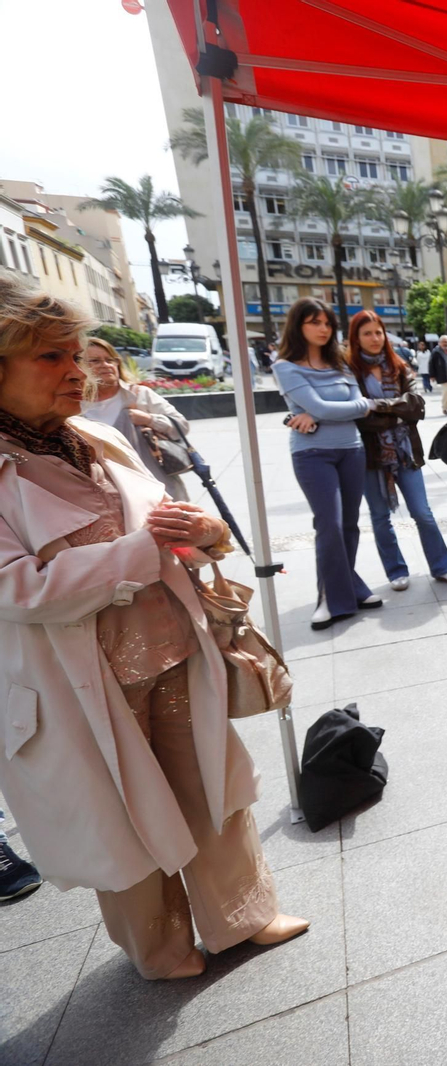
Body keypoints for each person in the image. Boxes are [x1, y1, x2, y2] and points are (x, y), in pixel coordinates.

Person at [0, 274, 306, 978]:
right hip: (77, 687)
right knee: (122, 818)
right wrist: (142, 551)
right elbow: (18, 587)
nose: (77, 370)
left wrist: (205, 534)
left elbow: (161, 523)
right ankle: (159, 949)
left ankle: (244, 915)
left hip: (174, 653)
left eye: (76, 352)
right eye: (51, 356)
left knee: (214, 789)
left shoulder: (95, 437)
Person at [271, 297, 384, 630]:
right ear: (298, 326)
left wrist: (321, 412)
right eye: (314, 323)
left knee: (349, 525)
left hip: (352, 450)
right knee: (329, 525)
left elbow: (346, 406)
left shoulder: (341, 364)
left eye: (327, 324)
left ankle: (348, 588)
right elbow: (335, 407)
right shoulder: (285, 367)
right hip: (312, 454)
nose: (323, 329)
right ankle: (328, 597)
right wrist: (324, 411)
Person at [348, 310, 447, 591]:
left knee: (422, 512)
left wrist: (378, 406)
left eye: (378, 332)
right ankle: (396, 571)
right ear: (356, 338)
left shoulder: (398, 366)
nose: (375, 338)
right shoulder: (350, 373)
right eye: (367, 333)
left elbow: (414, 405)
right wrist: (395, 411)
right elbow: (359, 417)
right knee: (380, 517)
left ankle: (442, 566)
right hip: (371, 456)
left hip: (405, 452)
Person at [78, 337, 193, 501]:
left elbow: (181, 425)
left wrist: (149, 419)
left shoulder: (139, 394)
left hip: (157, 488)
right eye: (95, 361)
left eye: (110, 360)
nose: (105, 365)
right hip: (108, 496)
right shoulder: (74, 406)